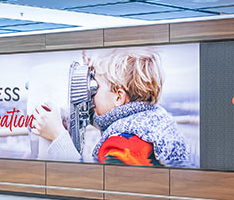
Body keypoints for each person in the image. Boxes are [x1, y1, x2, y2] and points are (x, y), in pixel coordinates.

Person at [32, 49, 188, 166]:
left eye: (95, 88)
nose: (90, 94)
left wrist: (58, 136)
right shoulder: (153, 120)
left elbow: (92, 186)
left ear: (119, 97)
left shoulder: (123, 147)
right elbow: (106, 118)